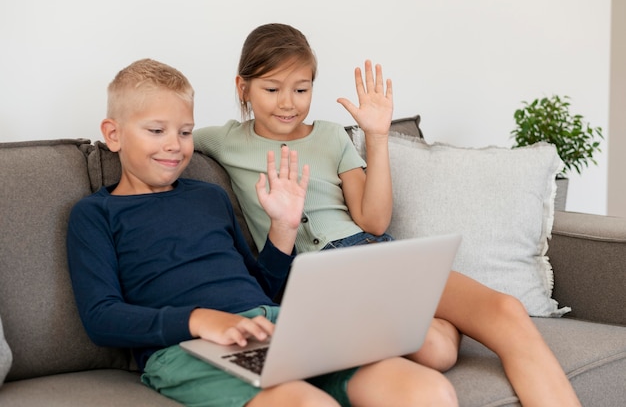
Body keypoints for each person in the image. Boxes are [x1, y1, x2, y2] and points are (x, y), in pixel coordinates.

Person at [193, 23, 582, 406]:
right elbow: (164, 138)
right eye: (271, 89)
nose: (287, 102)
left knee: (506, 310)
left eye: (301, 89)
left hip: (375, 254)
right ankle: (419, 331)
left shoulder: (330, 136)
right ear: (242, 87)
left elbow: (374, 222)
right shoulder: (224, 140)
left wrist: (377, 137)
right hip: (316, 282)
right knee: (435, 350)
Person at [66, 58, 459, 407]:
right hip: (185, 347)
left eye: (185, 132)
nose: (175, 145)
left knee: (427, 391)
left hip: (275, 326)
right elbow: (102, 318)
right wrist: (202, 320)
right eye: (156, 131)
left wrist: (284, 228)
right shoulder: (95, 215)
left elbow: (263, 285)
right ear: (113, 134)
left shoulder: (209, 197)